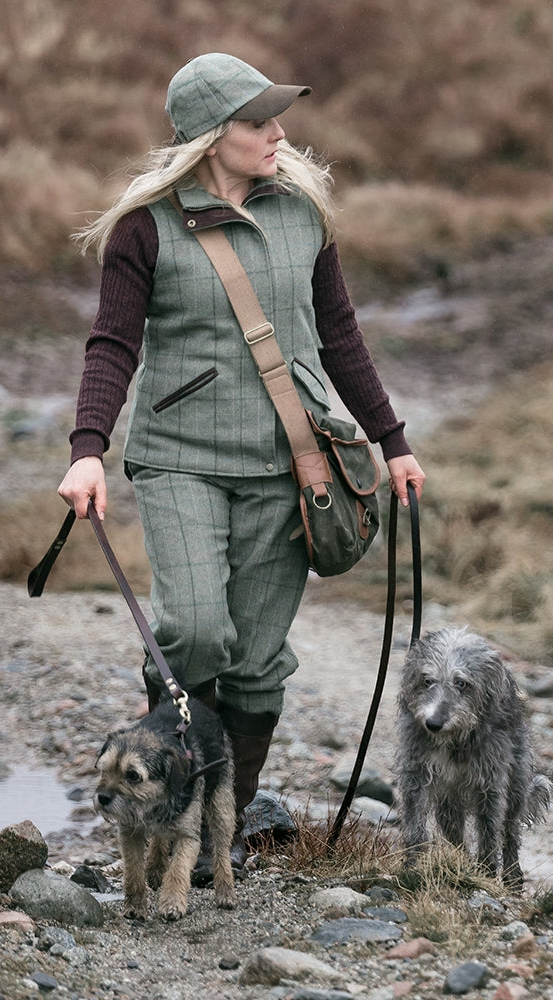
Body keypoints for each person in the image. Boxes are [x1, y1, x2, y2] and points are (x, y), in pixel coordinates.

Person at [58, 52, 426, 870]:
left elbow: (339, 334)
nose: (279, 133)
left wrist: (391, 441)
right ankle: (162, 803)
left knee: (257, 663)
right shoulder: (144, 230)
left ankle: (217, 834)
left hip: (293, 468)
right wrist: (88, 451)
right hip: (180, 460)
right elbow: (110, 345)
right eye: (260, 122)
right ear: (210, 135)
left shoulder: (301, 214)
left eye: (276, 118)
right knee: (194, 630)